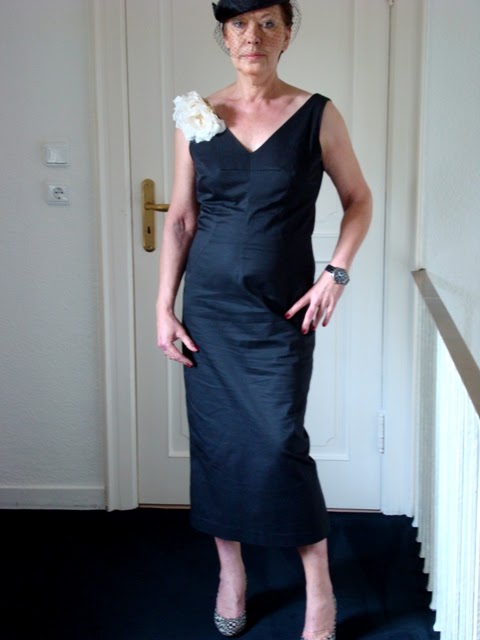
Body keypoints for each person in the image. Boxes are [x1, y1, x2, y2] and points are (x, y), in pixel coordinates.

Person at [156, 1, 372, 638]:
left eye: (268, 23)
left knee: (280, 445)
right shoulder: (197, 115)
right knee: (218, 446)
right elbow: (181, 218)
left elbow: (358, 199)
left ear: (287, 34)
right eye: (239, 24)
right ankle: (232, 574)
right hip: (210, 312)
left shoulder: (317, 114)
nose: (253, 36)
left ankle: (319, 586)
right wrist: (162, 306)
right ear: (225, 37)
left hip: (280, 311)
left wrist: (336, 272)